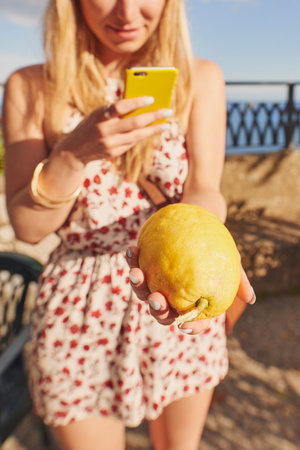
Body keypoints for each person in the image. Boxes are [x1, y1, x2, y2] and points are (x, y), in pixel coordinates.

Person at [2, 1, 255, 449]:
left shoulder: (199, 78)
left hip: (173, 289)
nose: (127, 11)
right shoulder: (32, 86)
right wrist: (72, 153)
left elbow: (205, 188)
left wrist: (211, 252)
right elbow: (27, 226)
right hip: (80, 310)